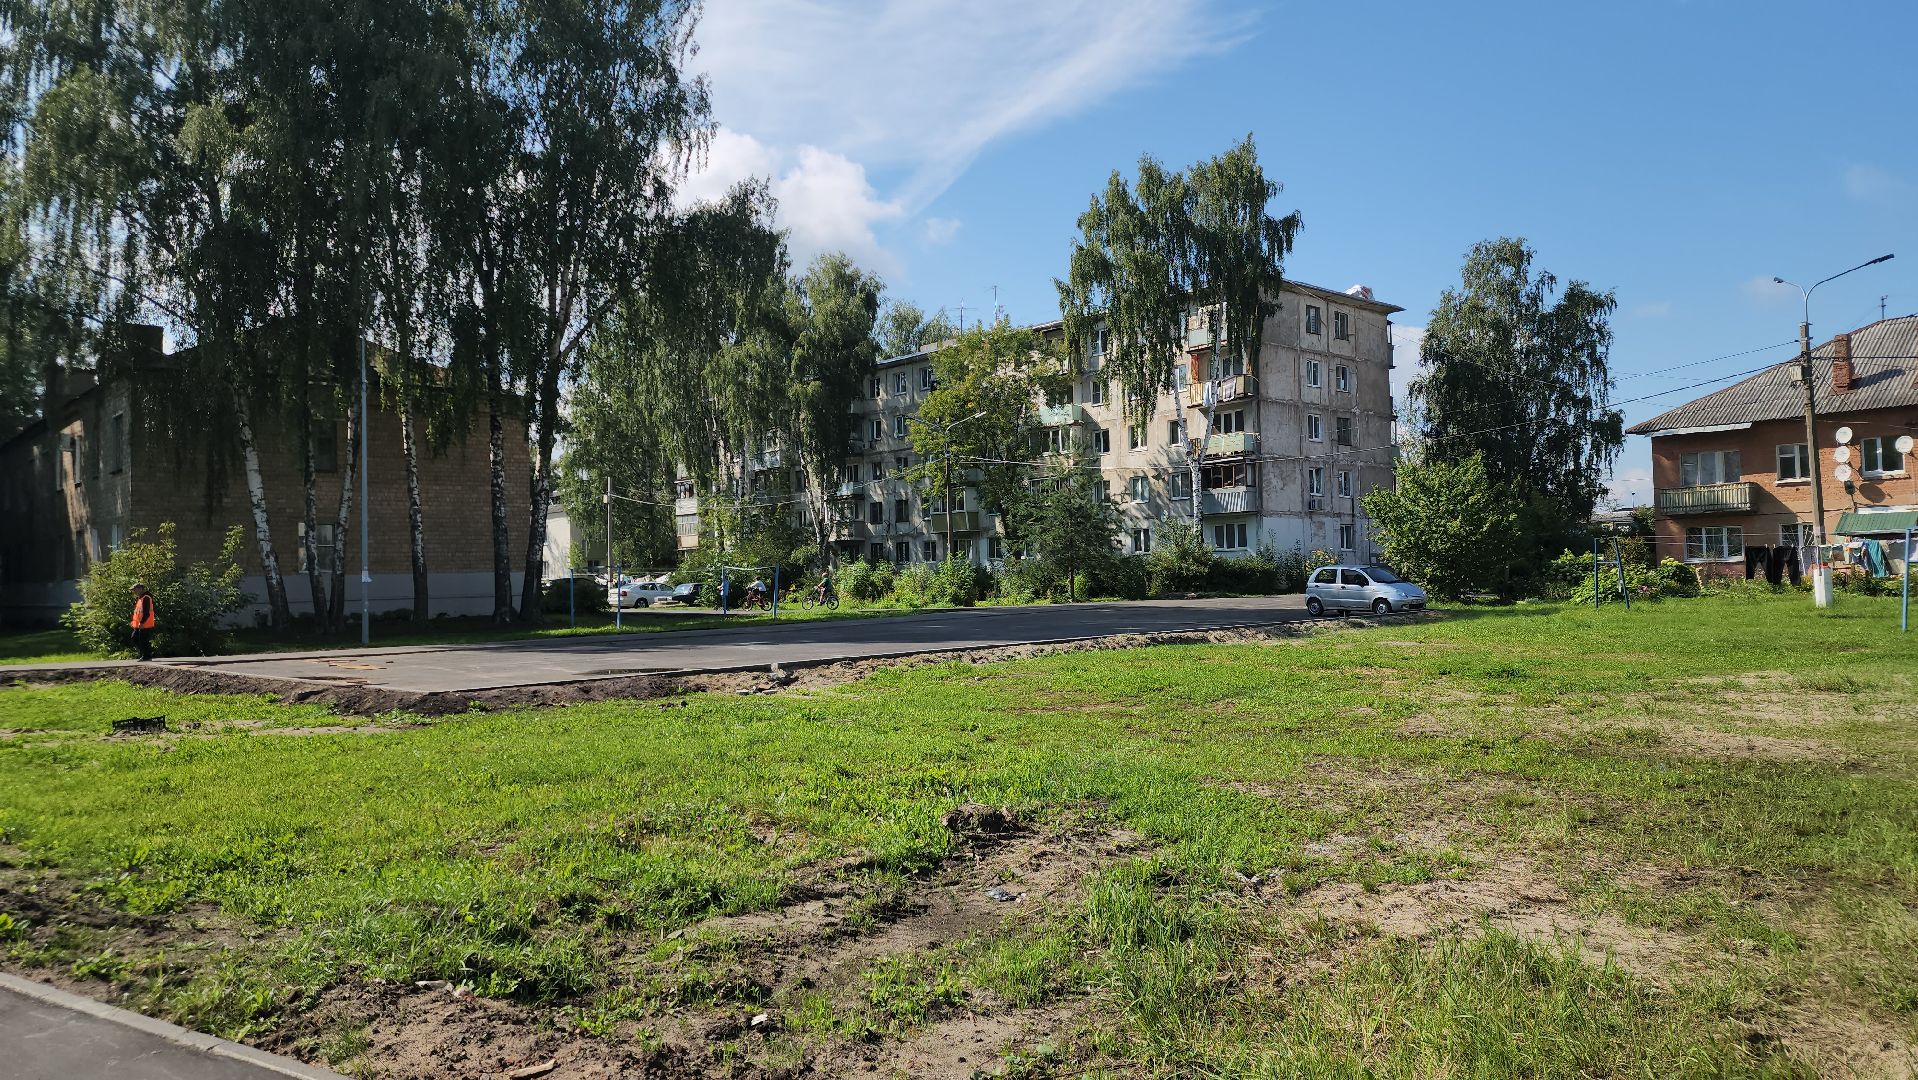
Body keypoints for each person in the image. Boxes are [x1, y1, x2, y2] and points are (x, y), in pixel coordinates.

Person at [129, 583, 157, 661]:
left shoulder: (146, 598)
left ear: (141, 589)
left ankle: (146, 656)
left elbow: (146, 612)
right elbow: (138, 613)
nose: (134, 591)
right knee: (135, 638)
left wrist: (142, 622)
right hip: (139, 624)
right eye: (133, 590)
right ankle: (146, 654)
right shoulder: (140, 598)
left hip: (145, 624)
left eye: (135, 589)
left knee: (143, 640)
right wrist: (134, 622)